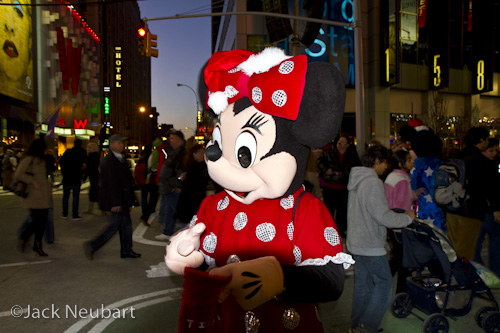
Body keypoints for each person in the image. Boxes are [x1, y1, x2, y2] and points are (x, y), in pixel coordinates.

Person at [347, 146, 415, 333]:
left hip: (357, 240)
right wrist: (407, 218)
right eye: (385, 162)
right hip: (369, 243)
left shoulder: (357, 179)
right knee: (384, 285)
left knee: (362, 286)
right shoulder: (372, 182)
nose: (386, 167)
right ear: (376, 161)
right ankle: (367, 327)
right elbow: (382, 216)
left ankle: (356, 326)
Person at [82, 134, 141, 260]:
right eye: (119, 142)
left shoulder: (120, 158)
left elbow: (125, 179)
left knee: (126, 225)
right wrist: (115, 202)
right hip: (116, 199)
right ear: (112, 145)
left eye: (122, 142)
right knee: (114, 225)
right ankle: (92, 245)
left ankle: (126, 250)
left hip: (122, 198)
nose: (121, 145)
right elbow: (110, 183)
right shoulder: (109, 161)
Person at [447, 127, 500, 261]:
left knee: (462, 249)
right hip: (473, 211)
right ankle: (483, 278)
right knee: (476, 248)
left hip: (453, 208)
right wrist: (495, 208)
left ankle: (467, 276)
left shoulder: (456, 158)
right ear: (481, 141)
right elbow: (491, 187)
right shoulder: (481, 162)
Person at [384, 149, 417, 294]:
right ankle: (402, 292)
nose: (412, 162)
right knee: (403, 260)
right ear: (400, 163)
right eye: (409, 159)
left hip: (392, 224)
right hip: (401, 225)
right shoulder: (403, 180)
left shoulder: (392, 177)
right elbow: (402, 206)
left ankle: (382, 282)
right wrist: (408, 219)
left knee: (397, 257)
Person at [14, 138, 53, 256]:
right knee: (37, 221)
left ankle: (37, 244)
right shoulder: (28, 159)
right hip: (33, 195)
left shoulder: (41, 159)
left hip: (43, 195)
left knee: (41, 221)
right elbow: (18, 174)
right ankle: (25, 237)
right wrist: (32, 180)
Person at [317, 135, 361, 237]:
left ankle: (341, 231)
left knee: (342, 211)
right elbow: (320, 162)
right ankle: (329, 231)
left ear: (348, 144)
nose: (339, 143)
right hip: (330, 186)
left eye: (342, 141)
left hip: (344, 187)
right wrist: (326, 169)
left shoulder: (352, 155)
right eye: (338, 141)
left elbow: (357, 167)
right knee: (329, 211)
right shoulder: (329, 153)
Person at [474, 138, 500, 275]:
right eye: (491, 150)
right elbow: (489, 190)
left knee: (477, 245)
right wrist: (494, 208)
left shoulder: (483, 163)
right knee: (494, 242)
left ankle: (482, 274)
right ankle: (493, 273)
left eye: (495, 150)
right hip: (487, 211)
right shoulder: (486, 166)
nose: (494, 153)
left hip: (479, 210)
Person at [155, 130, 186, 240]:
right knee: (170, 210)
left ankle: (183, 232)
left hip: (172, 186)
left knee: (177, 210)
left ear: (178, 140)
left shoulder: (181, 152)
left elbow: (180, 170)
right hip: (168, 186)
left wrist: (177, 185)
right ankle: (167, 232)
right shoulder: (175, 151)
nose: (170, 141)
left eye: (172, 139)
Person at [176, 144, 208, 225]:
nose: (203, 155)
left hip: (194, 201)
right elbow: (195, 185)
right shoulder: (194, 167)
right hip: (191, 202)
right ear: (194, 154)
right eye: (201, 153)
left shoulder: (200, 166)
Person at [59, 138, 87, 220]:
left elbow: (62, 162)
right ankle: (74, 214)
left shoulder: (68, 152)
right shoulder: (82, 152)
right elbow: (86, 164)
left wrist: (63, 171)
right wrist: (83, 174)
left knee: (65, 196)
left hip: (67, 176)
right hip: (76, 176)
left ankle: (64, 213)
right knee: (75, 197)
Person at [83, 142, 100, 214]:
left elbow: (90, 167)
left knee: (94, 192)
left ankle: (98, 209)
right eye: (87, 147)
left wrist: (84, 176)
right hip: (93, 175)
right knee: (94, 192)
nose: (88, 149)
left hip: (94, 175)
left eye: (90, 147)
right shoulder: (90, 156)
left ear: (94, 148)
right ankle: (91, 209)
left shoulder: (93, 156)